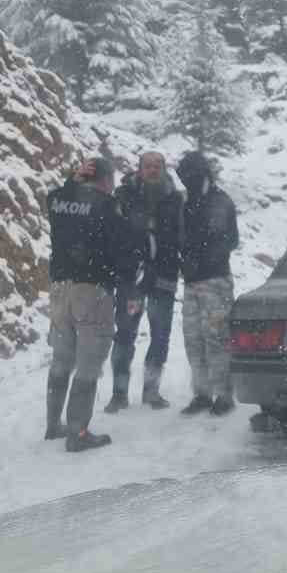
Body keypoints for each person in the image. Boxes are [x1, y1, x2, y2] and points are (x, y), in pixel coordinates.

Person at [45, 155, 139, 451]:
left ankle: (53, 425)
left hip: (59, 289)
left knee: (61, 359)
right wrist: (130, 288)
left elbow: (54, 197)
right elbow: (125, 253)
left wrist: (71, 183)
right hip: (92, 291)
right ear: (107, 180)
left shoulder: (59, 199)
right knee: (88, 362)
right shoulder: (108, 207)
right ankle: (78, 433)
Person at [106, 151, 184, 412]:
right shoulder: (124, 196)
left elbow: (181, 237)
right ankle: (119, 394)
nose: (152, 170)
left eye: (157, 165)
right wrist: (128, 262)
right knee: (125, 334)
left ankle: (152, 391)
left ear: (164, 168)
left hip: (164, 276)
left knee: (160, 335)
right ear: (139, 169)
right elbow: (113, 234)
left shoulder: (175, 199)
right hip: (132, 278)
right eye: (148, 166)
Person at [175, 150, 239, 417]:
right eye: (183, 176)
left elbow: (227, 240)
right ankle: (201, 394)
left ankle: (224, 395)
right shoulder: (186, 202)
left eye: (190, 175)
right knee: (193, 339)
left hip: (215, 281)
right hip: (192, 283)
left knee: (217, 338)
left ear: (203, 174)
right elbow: (180, 237)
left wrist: (199, 259)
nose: (186, 180)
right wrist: (183, 259)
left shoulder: (219, 201)